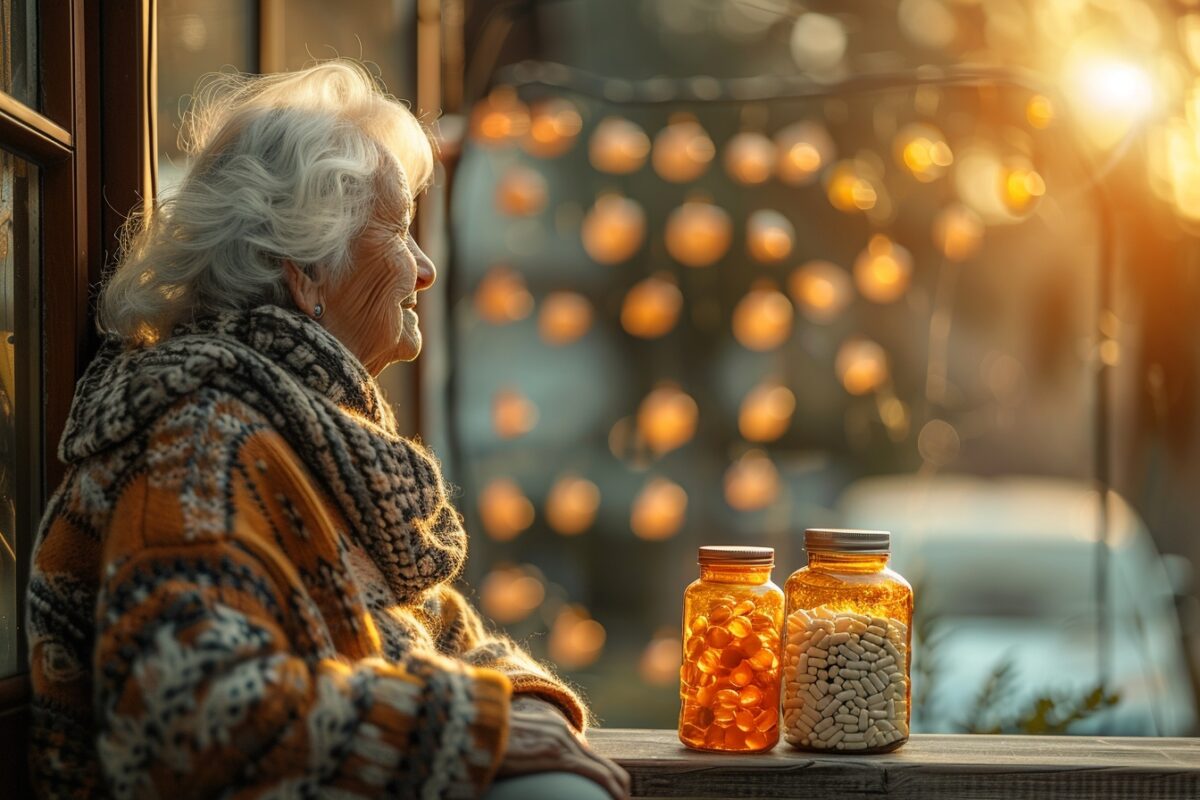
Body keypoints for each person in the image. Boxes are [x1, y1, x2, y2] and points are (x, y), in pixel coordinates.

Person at [26, 60, 630, 800]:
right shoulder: (204, 442)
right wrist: (480, 728)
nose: (425, 267)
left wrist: (522, 704)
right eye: (402, 230)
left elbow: (436, 636)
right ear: (306, 269)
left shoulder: (304, 434)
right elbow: (194, 716)